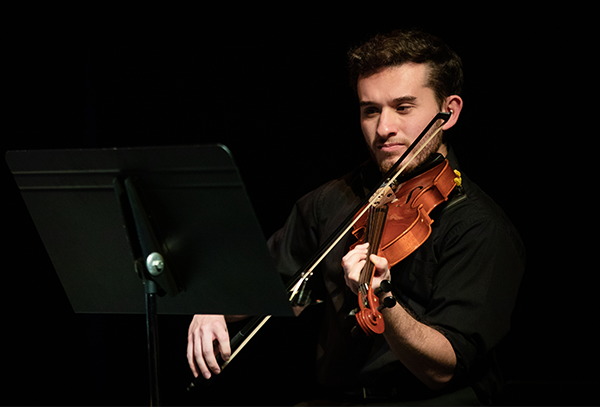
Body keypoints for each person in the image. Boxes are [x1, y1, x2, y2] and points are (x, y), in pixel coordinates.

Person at [187, 29, 526, 405]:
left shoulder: (478, 226)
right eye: (371, 110)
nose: (384, 128)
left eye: (403, 107)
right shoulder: (330, 201)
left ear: (449, 113)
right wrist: (215, 301)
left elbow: (443, 367)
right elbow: (269, 284)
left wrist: (384, 299)